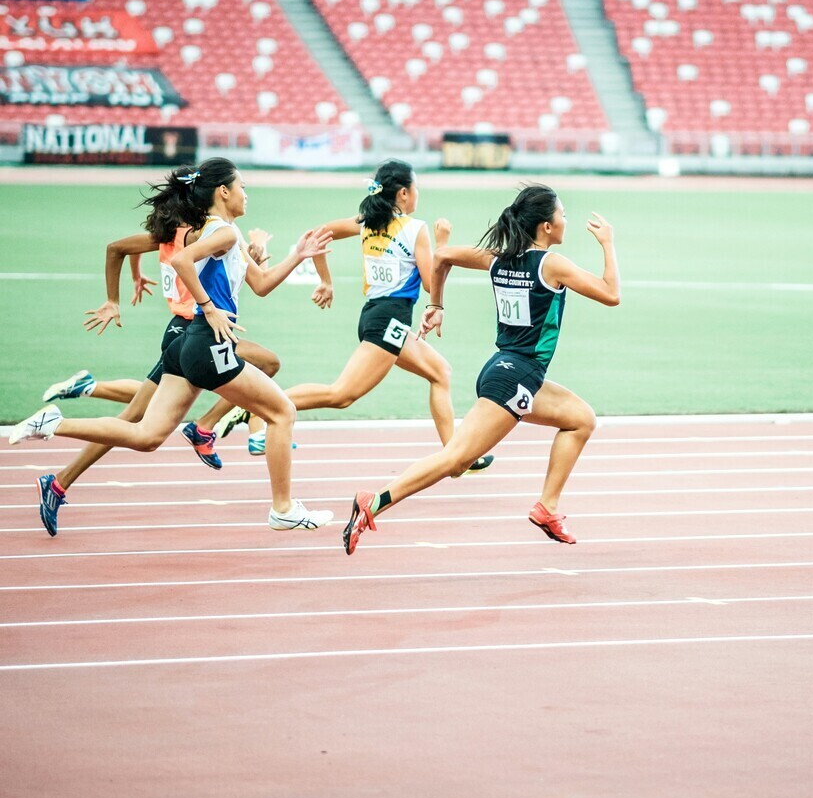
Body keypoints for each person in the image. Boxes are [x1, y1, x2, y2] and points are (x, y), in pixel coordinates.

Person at [12, 157, 334, 532]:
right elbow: (180, 260)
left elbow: (260, 284)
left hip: (188, 344)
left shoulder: (226, 233)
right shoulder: (222, 233)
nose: (248, 193)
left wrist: (298, 255)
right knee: (282, 412)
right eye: (243, 186)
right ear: (223, 191)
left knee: (146, 435)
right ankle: (282, 508)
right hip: (204, 342)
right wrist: (210, 308)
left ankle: (54, 423)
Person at [340, 184, 620, 554]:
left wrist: (436, 304)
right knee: (455, 461)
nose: (565, 219)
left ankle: (547, 507)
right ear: (546, 227)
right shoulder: (551, 264)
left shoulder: (497, 258)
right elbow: (611, 294)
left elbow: (443, 257)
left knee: (581, 419)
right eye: (562, 214)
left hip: (509, 371)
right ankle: (374, 501)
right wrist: (608, 244)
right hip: (515, 377)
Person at [31, 201, 281, 535]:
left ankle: (60, 481)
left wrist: (137, 274)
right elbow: (119, 249)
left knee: (136, 417)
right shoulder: (192, 235)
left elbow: (125, 248)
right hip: (191, 330)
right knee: (264, 364)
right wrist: (115, 299)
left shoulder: (181, 234)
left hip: (192, 332)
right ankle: (204, 427)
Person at [258, 160, 493, 473]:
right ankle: (259, 405)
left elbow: (316, 234)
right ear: (405, 194)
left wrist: (325, 280)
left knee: (440, 372)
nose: (418, 193)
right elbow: (429, 282)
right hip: (391, 321)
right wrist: (443, 244)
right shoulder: (415, 229)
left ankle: (456, 458)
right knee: (341, 395)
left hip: (377, 317)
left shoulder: (367, 221)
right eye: (416, 188)